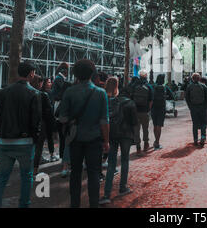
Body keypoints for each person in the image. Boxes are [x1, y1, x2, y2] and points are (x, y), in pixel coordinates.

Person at [59, 59, 110, 208]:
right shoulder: (100, 93)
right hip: (94, 139)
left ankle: (75, 204)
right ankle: (94, 204)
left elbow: (63, 118)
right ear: (92, 73)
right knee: (94, 173)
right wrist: (106, 141)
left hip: (74, 139)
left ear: (75, 74)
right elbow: (104, 121)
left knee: (75, 173)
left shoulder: (69, 92)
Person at [0, 62, 41, 208]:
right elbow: (36, 121)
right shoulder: (34, 93)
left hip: (5, 141)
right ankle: (24, 204)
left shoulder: (4, 92)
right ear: (31, 74)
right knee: (26, 177)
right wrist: (35, 138)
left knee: (2, 177)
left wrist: (0, 134)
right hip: (25, 142)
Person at [99, 77, 137, 205]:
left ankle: (106, 194)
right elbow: (134, 122)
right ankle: (123, 187)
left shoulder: (108, 101)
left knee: (111, 163)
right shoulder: (129, 103)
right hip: (126, 134)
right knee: (125, 160)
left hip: (112, 134)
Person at [30, 75, 57, 177]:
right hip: (41, 124)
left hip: (28, 124)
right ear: (39, 83)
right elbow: (49, 112)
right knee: (39, 147)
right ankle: (35, 170)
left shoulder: (29, 93)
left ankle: (30, 168)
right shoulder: (43, 95)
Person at [51, 62, 72, 178]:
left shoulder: (58, 78)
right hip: (60, 109)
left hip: (58, 109)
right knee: (64, 136)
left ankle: (63, 158)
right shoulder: (60, 79)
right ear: (65, 71)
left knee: (62, 136)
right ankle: (64, 159)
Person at [131, 70, 153, 154]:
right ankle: (146, 144)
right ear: (146, 76)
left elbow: (131, 98)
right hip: (145, 111)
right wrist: (148, 109)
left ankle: (138, 147)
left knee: (136, 129)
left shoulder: (134, 86)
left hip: (135, 111)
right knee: (145, 128)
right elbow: (151, 100)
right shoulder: (149, 86)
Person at [185, 73, 207, 146]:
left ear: (192, 78)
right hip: (202, 107)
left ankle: (195, 139)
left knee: (195, 123)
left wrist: (190, 106)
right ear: (199, 79)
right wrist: (205, 106)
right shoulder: (203, 86)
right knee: (203, 123)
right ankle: (202, 137)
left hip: (193, 107)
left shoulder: (189, 87)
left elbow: (187, 98)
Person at [151, 74, 174, 150]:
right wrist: (165, 97)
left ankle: (155, 140)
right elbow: (172, 96)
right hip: (162, 108)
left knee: (155, 125)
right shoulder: (165, 87)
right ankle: (157, 142)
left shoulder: (153, 86)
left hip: (153, 107)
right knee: (159, 125)